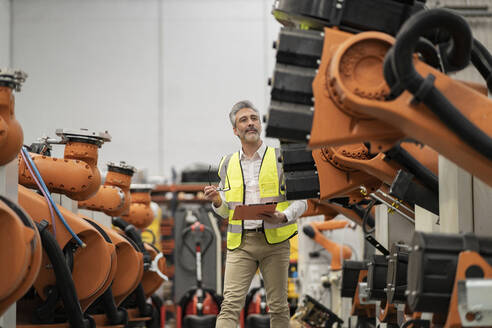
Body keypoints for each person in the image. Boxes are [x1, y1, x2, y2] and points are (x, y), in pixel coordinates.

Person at [203, 100, 307, 328]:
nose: (250, 123)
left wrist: (285, 216)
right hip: (241, 244)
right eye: (244, 120)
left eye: (254, 119)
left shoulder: (281, 158)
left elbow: (302, 201)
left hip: (275, 243)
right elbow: (225, 212)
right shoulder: (226, 163)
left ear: (260, 124)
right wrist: (217, 201)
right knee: (229, 305)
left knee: (279, 306)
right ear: (235, 130)